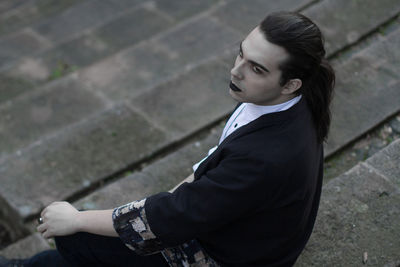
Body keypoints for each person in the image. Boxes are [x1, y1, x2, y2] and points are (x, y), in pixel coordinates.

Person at [0, 11, 334, 267]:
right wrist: (177, 194)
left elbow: (171, 217)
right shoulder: (284, 103)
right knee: (64, 255)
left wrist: (77, 219)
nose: (236, 70)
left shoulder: (267, 156)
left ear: (291, 83)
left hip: (233, 258)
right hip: (249, 232)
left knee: (77, 240)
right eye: (240, 54)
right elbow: (208, 176)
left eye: (256, 68)